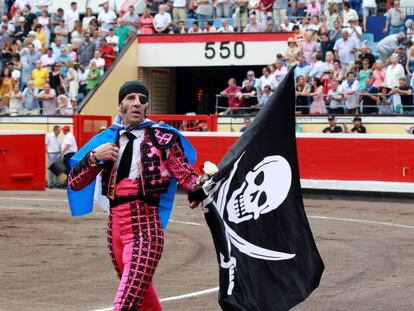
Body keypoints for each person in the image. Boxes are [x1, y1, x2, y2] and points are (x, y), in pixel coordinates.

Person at [67, 81, 205, 310]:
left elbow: (187, 177)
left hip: (146, 228)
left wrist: (199, 185)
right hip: (115, 230)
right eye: (131, 98)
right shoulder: (107, 140)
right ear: (120, 104)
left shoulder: (164, 139)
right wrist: (93, 157)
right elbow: (75, 182)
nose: (137, 103)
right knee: (146, 301)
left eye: (142, 100)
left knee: (126, 302)